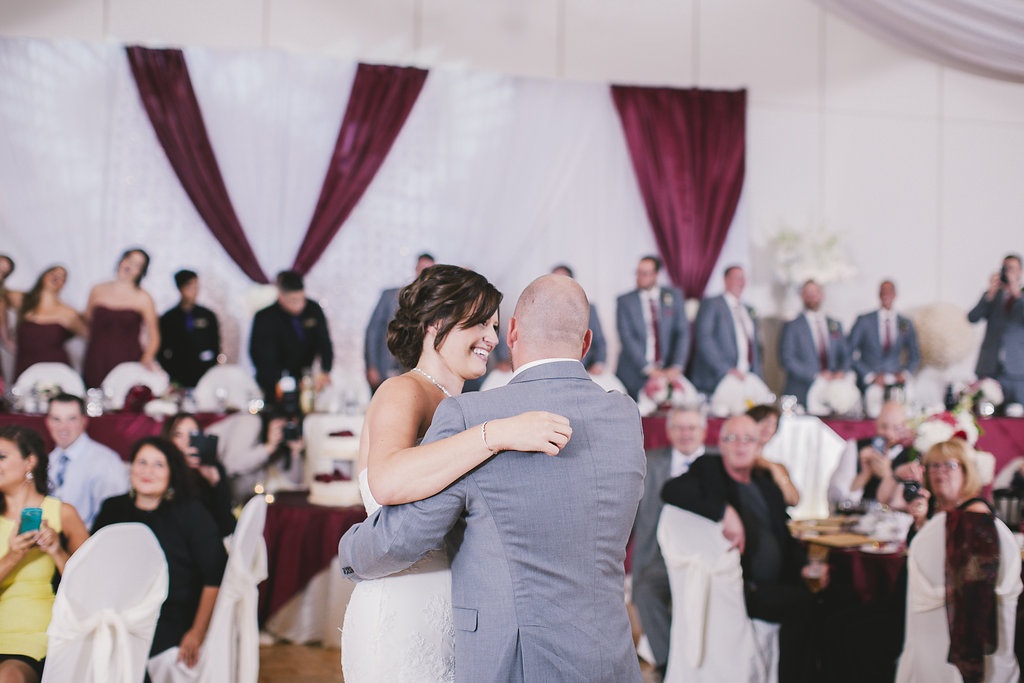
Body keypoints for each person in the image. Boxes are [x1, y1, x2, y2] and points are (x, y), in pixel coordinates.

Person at [339, 271, 641, 682]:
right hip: (408, 607)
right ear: (435, 324)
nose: (492, 338)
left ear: (514, 331)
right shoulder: (407, 393)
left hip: (473, 624)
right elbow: (388, 484)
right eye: (480, 322)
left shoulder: (469, 407)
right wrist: (494, 433)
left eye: (496, 326)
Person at [662, 415, 826, 683]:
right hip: (744, 587)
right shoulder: (710, 468)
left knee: (828, 600)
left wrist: (806, 567)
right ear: (721, 443)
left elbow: (783, 533)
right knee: (802, 607)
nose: (740, 446)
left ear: (759, 445)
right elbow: (671, 491)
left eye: (748, 439)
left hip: (778, 582)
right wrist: (725, 512)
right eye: (732, 438)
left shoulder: (765, 484)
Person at [93, 437, 226, 673]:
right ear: (131, 467)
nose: (148, 471)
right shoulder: (112, 508)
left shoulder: (191, 513)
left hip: (171, 613)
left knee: (131, 656)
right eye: (141, 462)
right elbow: (95, 564)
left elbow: (214, 576)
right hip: (118, 611)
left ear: (171, 473)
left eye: (158, 465)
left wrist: (197, 631)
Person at [0, 425, 89, 683]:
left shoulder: (63, 513)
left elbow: (89, 587)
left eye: (2, 457)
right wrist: (14, 554)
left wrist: (56, 550)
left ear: (30, 461)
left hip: (33, 632)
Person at [632, 407, 715, 677]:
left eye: (692, 428)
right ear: (669, 432)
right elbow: (631, 511)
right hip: (661, 557)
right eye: (679, 428)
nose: (686, 434)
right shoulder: (651, 462)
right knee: (645, 590)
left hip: (711, 556)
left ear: (703, 431)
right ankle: (670, 664)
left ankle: (707, 662)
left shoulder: (718, 462)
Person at [45, 393, 129, 529]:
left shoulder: (106, 462)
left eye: (71, 419)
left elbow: (115, 519)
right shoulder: (48, 460)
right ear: (47, 422)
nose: (63, 427)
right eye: (56, 419)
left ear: (84, 421)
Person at [82, 248, 161, 389]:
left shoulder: (144, 298)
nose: (130, 266)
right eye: (129, 260)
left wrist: (145, 361)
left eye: (137, 265)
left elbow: (154, 337)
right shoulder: (97, 290)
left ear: (141, 272)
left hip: (127, 359)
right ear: (121, 260)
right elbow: (85, 323)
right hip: (96, 357)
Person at [250, 270, 333, 402]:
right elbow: (261, 357)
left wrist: (325, 370)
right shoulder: (265, 317)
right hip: (274, 382)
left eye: (301, 299)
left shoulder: (313, 310)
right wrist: (284, 382)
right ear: (281, 296)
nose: (299, 305)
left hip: (304, 378)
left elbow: (324, 343)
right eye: (293, 300)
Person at [616, 255, 690, 400]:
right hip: (635, 372)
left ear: (656, 274)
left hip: (668, 370)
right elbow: (627, 337)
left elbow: (682, 333)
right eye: (638, 273)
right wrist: (649, 370)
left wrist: (676, 366)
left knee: (684, 399)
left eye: (645, 273)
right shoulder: (625, 301)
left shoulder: (673, 296)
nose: (640, 277)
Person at [364, 252, 435, 392]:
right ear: (416, 269)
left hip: (416, 373)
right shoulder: (390, 296)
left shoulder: (434, 302)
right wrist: (372, 365)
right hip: (385, 369)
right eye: (422, 268)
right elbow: (373, 332)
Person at [205, 408, 305, 506]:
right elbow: (230, 465)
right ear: (276, 418)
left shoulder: (278, 446)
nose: (287, 429)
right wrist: (268, 448)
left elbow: (295, 481)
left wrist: (295, 453)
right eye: (287, 423)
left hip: (232, 498)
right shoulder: (251, 421)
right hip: (206, 484)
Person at [690, 265, 762, 395]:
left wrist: (755, 373)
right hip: (718, 378)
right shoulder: (711, 304)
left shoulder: (749, 309)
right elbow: (704, 339)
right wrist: (726, 370)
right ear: (725, 280)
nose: (740, 282)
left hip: (747, 378)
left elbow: (755, 345)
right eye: (736, 278)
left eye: (743, 278)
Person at [779, 279, 851, 407]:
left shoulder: (834, 324)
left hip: (833, 389)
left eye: (815, 292)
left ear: (822, 294)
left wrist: (840, 372)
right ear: (801, 296)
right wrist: (816, 375)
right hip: (803, 390)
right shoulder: (792, 326)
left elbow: (846, 355)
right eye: (807, 292)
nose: (812, 296)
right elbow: (787, 359)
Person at [161, 413, 235, 537]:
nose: (187, 441)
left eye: (193, 434)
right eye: (178, 435)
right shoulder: (162, 468)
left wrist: (215, 483)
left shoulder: (213, 468)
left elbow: (227, 525)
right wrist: (179, 466)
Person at [828, 400, 909, 510]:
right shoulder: (855, 447)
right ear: (876, 423)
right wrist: (865, 474)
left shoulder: (910, 455)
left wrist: (888, 476)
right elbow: (837, 497)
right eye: (884, 427)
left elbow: (905, 505)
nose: (888, 434)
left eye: (896, 428)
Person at [12, 265, 88, 380]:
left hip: (56, 371)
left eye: (62, 277)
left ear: (63, 285)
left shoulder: (68, 313)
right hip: (25, 368)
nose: (57, 277)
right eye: (53, 273)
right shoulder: (22, 300)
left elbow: (91, 337)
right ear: (43, 275)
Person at [968, 254, 1024, 404]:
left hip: (1018, 371)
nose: (1007, 273)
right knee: (986, 415)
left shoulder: (1021, 297)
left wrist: (1017, 294)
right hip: (989, 367)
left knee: (1018, 416)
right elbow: (972, 318)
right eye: (1004, 269)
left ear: (1020, 272)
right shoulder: (992, 296)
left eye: (1011, 269)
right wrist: (990, 294)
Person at [847, 280, 921, 392]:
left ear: (895, 294)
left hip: (896, 380)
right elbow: (848, 351)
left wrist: (905, 374)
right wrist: (869, 376)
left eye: (890, 291)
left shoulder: (905, 323)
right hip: (871, 382)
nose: (886, 294)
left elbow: (915, 355)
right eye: (883, 291)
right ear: (879, 294)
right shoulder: (864, 321)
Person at [157, 270, 221, 388]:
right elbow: (161, 349)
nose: (195, 291)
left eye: (197, 287)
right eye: (190, 286)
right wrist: (170, 369)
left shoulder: (207, 315)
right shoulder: (169, 318)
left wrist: (212, 365)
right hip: (178, 372)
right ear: (181, 288)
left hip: (205, 372)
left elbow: (215, 345)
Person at [551, 264, 607, 374]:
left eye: (563, 281)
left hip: (583, 370)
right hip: (550, 370)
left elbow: (600, 341)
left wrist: (599, 364)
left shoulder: (588, 308)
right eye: (554, 281)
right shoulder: (540, 309)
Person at [748, 403, 800, 507]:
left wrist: (774, 469)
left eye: (773, 424)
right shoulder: (737, 463)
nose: (767, 427)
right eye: (763, 421)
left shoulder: (777, 467)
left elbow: (793, 500)